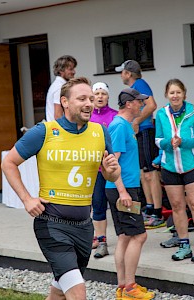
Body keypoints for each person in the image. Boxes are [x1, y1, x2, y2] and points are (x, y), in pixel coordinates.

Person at [2, 77, 120, 300]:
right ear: (65, 102)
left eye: (92, 99)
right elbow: (8, 163)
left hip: (85, 228)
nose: (89, 103)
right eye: (82, 98)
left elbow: (111, 173)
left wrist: (111, 170)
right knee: (78, 292)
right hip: (52, 225)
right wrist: (27, 199)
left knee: (59, 292)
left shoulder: (100, 132)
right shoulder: (44, 131)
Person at [106, 87, 155, 300]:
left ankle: (123, 287)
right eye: (139, 101)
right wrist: (123, 192)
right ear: (128, 104)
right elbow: (112, 163)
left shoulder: (124, 125)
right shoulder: (119, 126)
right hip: (122, 190)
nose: (142, 105)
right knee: (140, 235)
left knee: (125, 237)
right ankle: (130, 288)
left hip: (124, 188)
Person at [155, 78, 194, 263]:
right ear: (166, 95)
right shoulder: (161, 114)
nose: (175, 96)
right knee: (177, 207)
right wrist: (168, 144)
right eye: (172, 93)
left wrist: (183, 142)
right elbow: (158, 140)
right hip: (170, 166)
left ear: (184, 94)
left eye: (178, 92)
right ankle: (184, 245)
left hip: (192, 164)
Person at [115, 60, 164, 229]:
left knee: (151, 172)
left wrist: (136, 121)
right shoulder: (136, 85)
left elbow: (152, 105)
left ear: (128, 73)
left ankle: (157, 212)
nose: (121, 75)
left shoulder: (140, 84)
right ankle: (149, 208)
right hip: (139, 132)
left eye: (122, 72)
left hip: (145, 131)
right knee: (144, 173)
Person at [90, 82, 118, 258]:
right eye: (97, 93)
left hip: (113, 168)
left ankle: (126, 237)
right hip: (95, 170)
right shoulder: (87, 117)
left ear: (108, 96)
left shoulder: (115, 116)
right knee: (98, 205)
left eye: (103, 93)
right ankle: (101, 241)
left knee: (117, 205)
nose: (100, 97)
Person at [45, 55, 77, 121]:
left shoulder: (59, 85)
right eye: (70, 69)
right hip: (58, 129)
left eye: (73, 68)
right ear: (61, 71)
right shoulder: (59, 87)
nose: (74, 72)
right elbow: (58, 115)